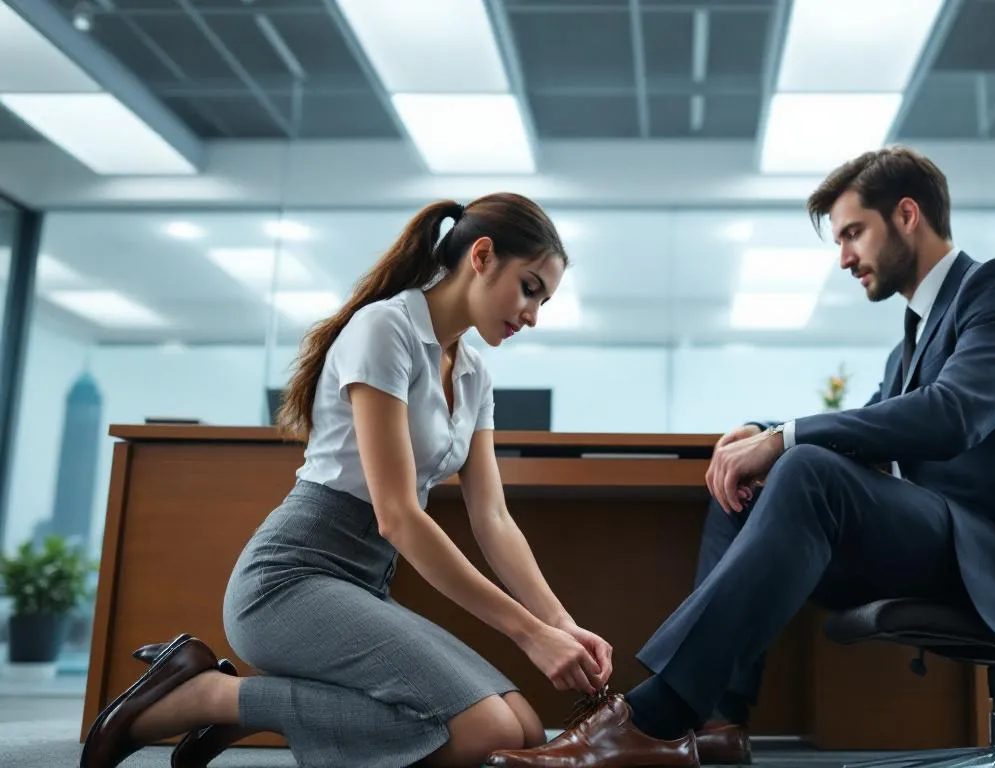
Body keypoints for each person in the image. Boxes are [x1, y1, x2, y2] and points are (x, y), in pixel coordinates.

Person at [485, 146, 995, 768]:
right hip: (954, 544)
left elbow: (954, 415)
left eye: (853, 233)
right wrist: (759, 434)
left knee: (807, 468)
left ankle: (650, 720)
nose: (844, 258)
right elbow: (876, 424)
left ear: (907, 215)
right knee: (754, 479)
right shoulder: (910, 345)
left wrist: (786, 438)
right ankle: (716, 720)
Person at [81, 194, 615, 768]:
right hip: (288, 582)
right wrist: (528, 634)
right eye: (530, 288)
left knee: (522, 731)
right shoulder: (386, 328)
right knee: (483, 733)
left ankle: (244, 704)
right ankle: (208, 696)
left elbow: (493, 517)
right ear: (481, 256)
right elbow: (398, 516)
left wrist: (560, 624)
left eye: (545, 300)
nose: (533, 314)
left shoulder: (473, 371)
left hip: (361, 585)